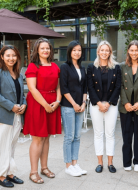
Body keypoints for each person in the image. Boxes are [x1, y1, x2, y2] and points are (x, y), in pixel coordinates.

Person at [23, 38, 62, 184]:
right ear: (37, 50)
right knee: (38, 138)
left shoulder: (55, 66)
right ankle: (33, 172)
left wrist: (57, 101)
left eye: (48, 48)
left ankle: (44, 167)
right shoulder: (33, 66)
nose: (46, 50)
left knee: (46, 137)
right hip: (38, 103)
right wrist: (46, 105)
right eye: (42, 48)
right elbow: (32, 89)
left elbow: (59, 86)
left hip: (53, 103)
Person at [0, 45, 27, 188]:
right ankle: (0, 176)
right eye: (8, 55)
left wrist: (24, 104)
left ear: (17, 57)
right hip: (4, 115)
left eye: (14, 55)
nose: (11, 58)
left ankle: (10, 173)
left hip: (17, 116)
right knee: (2, 147)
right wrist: (11, 106)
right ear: (2, 57)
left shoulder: (18, 74)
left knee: (11, 146)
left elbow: (22, 94)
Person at [87, 41, 121, 173]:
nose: (105, 52)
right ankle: (100, 163)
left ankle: (110, 163)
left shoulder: (116, 67)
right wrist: (99, 103)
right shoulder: (91, 67)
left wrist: (108, 103)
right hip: (96, 105)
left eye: (107, 50)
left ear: (110, 52)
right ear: (98, 52)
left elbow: (118, 87)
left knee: (110, 134)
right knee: (98, 134)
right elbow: (90, 86)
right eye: (102, 50)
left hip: (111, 105)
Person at [119, 40, 138, 172]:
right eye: (131, 50)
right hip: (125, 106)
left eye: (136, 50)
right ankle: (126, 162)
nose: (134, 53)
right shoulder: (122, 66)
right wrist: (125, 102)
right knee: (126, 135)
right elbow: (119, 86)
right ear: (128, 51)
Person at [60, 40, 87, 177]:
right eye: (74, 50)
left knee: (77, 136)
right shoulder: (65, 67)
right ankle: (68, 166)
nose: (77, 52)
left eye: (79, 50)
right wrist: (74, 104)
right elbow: (64, 88)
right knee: (69, 136)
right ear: (70, 51)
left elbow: (84, 88)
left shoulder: (82, 68)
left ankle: (75, 164)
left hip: (80, 106)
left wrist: (83, 103)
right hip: (68, 107)